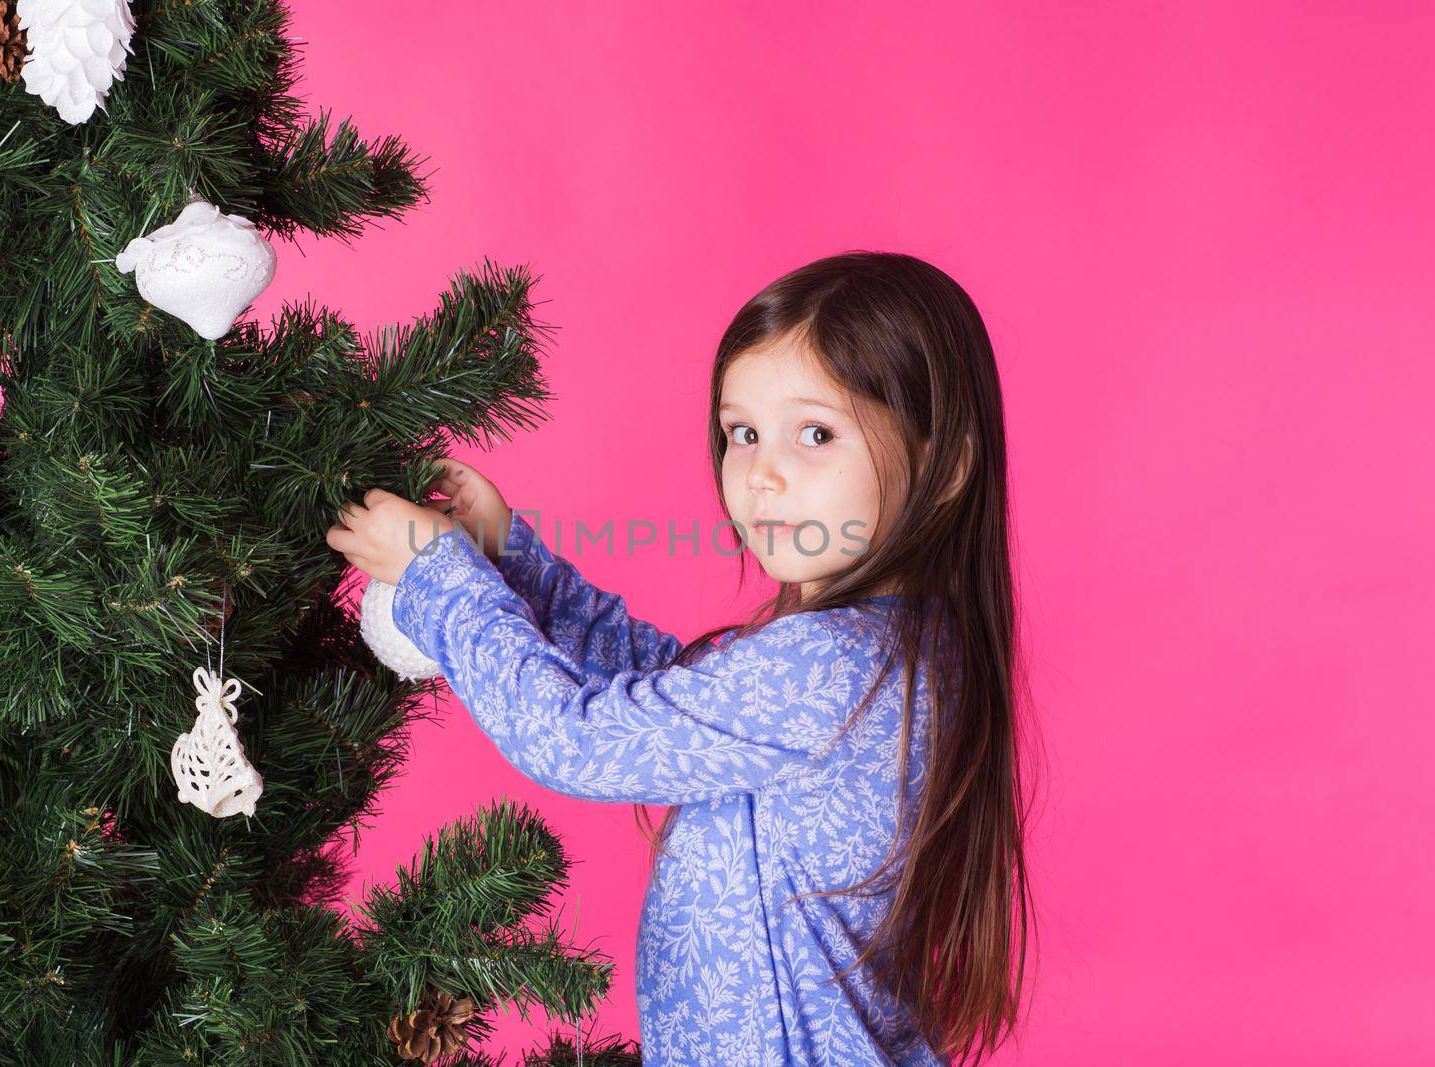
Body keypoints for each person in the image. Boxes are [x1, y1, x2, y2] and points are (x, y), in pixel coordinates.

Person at [326, 251, 1033, 1066]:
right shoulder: (889, 645)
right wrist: (517, 568)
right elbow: (667, 700)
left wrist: (439, 575)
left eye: (815, 433)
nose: (762, 475)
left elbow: (577, 739)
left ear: (945, 465)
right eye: (743, 433)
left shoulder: (833, 662)